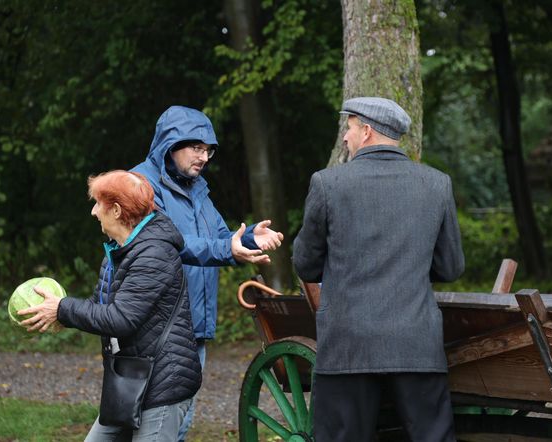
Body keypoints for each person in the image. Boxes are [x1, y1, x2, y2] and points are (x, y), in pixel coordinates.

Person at [293, 97, 465, 442]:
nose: (345, 137)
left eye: (350, 127)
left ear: (367, 131)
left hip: (347, 347)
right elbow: (450, 267)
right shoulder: (436, 183)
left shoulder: (328, 184)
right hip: (416, 346)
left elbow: (305, 264)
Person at [131, 105, 284, 440]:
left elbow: (217, 239)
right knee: (153, 424)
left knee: (180, 421)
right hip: (156, 327)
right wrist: (227, 247)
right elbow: (167, 242)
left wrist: (246, 237)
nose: (204, 157)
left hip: (193, 325)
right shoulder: (139, 185)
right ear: (170, 145)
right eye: (196, 148)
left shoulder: (197, 188)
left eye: (209, 150)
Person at [18, 170, 201, 442]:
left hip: (162, 386)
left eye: (97, 204)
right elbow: (99, 305)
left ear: (116, 210)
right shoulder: (119, 250)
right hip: (130, 381)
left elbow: (120, 319)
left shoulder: (154, 253)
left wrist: (63, 308)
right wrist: (58, 315)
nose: (93, 212)